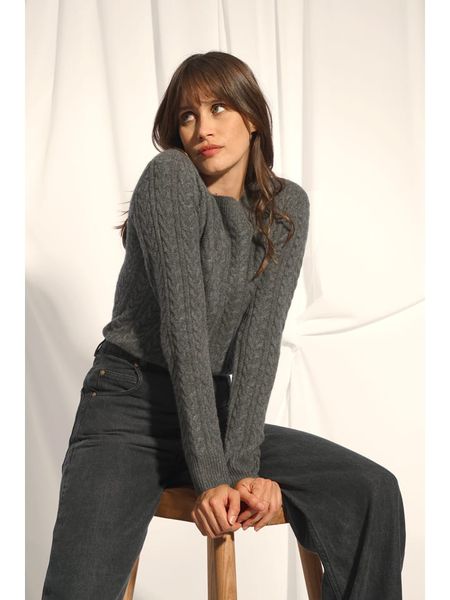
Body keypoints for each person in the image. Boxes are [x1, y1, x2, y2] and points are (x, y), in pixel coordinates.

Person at [41, 51, 406, 599]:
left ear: (252, 116)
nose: (202, 129)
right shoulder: (169, 178)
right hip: (128, 409)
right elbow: (184, 335)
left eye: (218, 108)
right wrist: (215, 478)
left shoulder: (286, 207)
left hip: (216, 414)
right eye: (187, 116)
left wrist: (241, 468)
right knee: (79, 590)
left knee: (370, 489)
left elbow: (259, 345)